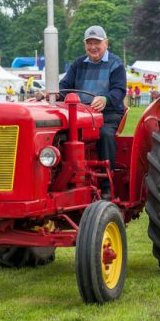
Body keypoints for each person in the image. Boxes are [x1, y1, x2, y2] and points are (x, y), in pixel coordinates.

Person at [58, 25, 126, 197]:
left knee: (105, 135)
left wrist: (106, 99)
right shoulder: (78, 64)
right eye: (89, 43)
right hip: (81, 115)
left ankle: (106, 185)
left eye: (97, 42)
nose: (93, 47)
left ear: (106, 43)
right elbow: (64, 86)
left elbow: (119, 90)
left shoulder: (116, 64)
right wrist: (52, 93)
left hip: (107, 114)